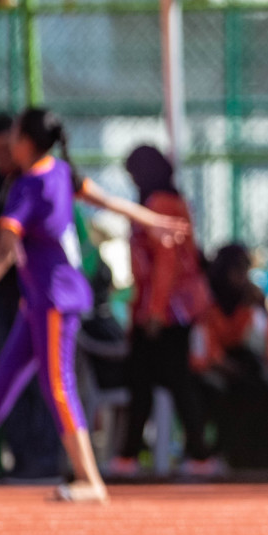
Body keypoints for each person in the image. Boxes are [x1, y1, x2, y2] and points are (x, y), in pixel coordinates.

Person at [0, 107, 188, 502]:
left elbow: (3, 254)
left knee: (58, 386)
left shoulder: (30, 186)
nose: (9, 145)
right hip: (40, 301)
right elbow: (107, 201)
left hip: (55, 301)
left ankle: (90, 480)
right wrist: (150, 220)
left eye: (15, 137)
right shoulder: (57, 172)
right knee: (4, 379)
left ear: (27, 142)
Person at [109, 146, 215, 478]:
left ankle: (190, 454)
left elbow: (166, 262)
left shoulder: (159, 204)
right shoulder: (172, 200)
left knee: (156, 384)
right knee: (163, 384)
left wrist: (155, 312)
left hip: (165, 312)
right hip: (168, 309)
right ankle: (190, 453)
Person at [0, 112, 60, 480]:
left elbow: (8, 248)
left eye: (7, 146)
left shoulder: (38, 180)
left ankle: (49, 460)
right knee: (6, 379)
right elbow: (1, 242)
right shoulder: (2, 184)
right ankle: (18, 459)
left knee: (50, 383)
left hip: (39, 297)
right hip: (10, 297)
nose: (1, 156)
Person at [195, 244, 268, 471]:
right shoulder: (206, 299)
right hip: (209, 373)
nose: (242, 277)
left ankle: (266, 460)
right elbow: (207, 352)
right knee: (243, 389)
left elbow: (263, 345)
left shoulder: (249, 302)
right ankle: (229, 456)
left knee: (256, 386)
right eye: (238, 271)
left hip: (245, 369)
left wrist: (258, 308)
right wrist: (228, 367)